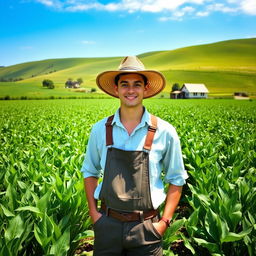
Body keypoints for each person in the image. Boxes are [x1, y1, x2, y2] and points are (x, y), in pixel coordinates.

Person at [81, 56, 188, 256]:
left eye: (137, 84)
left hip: (147, 228)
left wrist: (164, 222)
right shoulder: (99, 130)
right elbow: (89, 171)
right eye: (125, 84)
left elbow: (177, 178)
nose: (131, 90)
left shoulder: (165, 131)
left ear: (145, 88)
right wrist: (95, 215)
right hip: (107, 225)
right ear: (116, 89)